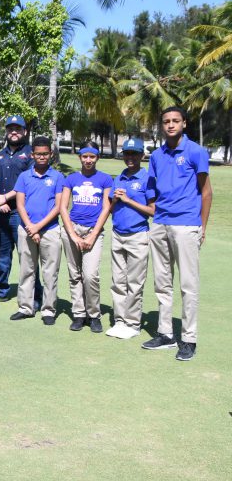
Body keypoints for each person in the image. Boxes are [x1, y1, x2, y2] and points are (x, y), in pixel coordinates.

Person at [142, 107, 212, 361]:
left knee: (188, 285)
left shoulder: (196, 151)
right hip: (160, 223)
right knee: (162, 282)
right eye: (166, 122)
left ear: (184, 123)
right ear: (162, 126)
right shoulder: (157, 155)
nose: (171, 125)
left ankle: (189, 338)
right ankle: (165, 333)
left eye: (175, 121)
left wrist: (201, 227)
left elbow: (206, 192)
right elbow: (151, 184)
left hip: (186, 225)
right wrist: (153, 202)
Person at [0, 115, 41, 306]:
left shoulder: (30, 154)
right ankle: (0, 290)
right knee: (1, 254)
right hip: (1, 213)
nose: (14, 132)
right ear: (7, 132)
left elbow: (25, 184)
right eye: (11, 129)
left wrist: (4, 197)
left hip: (21, 213)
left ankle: (34, 295)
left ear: (25, 132)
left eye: (18, 129)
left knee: (27, 256)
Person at [59, 141, 113, 333]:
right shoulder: (71, 179)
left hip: (93, 232)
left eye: (92, 156)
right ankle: (79, 314)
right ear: (80, 157)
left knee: (90, 275)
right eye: (84, 156)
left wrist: (93, 235)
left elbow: (107, 207)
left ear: (97, 157)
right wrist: (72, 234)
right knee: (75, 275)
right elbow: (63, 208)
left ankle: (94, 314)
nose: (88, 160)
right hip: (72, 229)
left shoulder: (106, 179)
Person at [10, 137, 65, 325]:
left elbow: (58, 207)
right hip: (26, 229)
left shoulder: (57, 177)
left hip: (49, 230)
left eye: (45, 154)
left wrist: (38, 227)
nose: (42, 157)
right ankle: (25, 307)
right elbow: (20, 204)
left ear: (51, 154)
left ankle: (48, 310)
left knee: (50, 272)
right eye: (38, 154)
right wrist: (30, 227)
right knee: (27, 270)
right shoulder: (24, 176)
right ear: (32, 155)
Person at [106, 138, 155, 339]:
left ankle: (133, 323)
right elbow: (109, 208)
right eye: (127, 153)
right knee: (118, 282)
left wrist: (128, 200)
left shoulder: (147, 178)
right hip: (118, 234)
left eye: (134, 153)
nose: (131, 157)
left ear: (142, 155)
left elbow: (152, 210)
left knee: (134, 283)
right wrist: (116, 199)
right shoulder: (119, 178)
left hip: (138, 235)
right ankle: (120, 320)